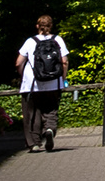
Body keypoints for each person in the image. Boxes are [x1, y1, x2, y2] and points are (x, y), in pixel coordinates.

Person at [16, 14, 70, 151]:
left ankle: (33, 143)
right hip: (53, 83)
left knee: (32, 113)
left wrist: (24, 76)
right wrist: (62, 79)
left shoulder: (30, 41)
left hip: (32, 84)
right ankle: (50, 129)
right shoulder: (58, 40)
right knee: (51, 110)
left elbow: (18, 63)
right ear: (51, 26)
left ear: (37, 26)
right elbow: (64, 61)